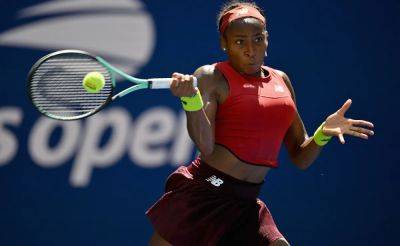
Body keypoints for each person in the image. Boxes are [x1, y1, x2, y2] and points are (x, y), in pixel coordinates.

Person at [146, 1, 375, 245]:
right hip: (204, 194)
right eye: (239, 41)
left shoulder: (281, 81)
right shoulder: (211, 77)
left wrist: (323, 133)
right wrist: (191, 101)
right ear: (224, 44)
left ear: (266, 39)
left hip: (246, 202)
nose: (250, 49)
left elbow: (300, 157)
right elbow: (206, 145)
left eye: (257, 39)